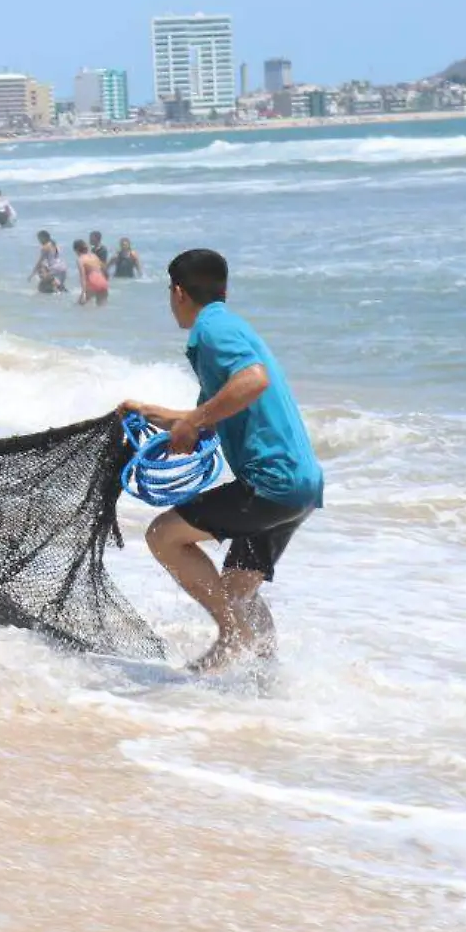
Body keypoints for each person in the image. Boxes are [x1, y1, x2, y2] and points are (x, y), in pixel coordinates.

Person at [119, 249, 323, 673]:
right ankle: (266, 682)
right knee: (236, 591)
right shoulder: (232, 326)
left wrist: (194, 420)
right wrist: (147, 411)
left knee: (163, 536)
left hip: (269, 484)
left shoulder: (211, 329)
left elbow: (253, 381)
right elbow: (211, 414)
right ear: (223, 289)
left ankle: (232, 635)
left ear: (177, 292)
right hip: (300, 486)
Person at [73, 238, 109, 306]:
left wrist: (83, 292)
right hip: (103, 282)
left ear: (76, 250)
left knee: (79, 305)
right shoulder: (94, 256)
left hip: (93, 282)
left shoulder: (80, 260)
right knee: (102, 307)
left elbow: (82, 277)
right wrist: (105, 282)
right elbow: (104, 269)